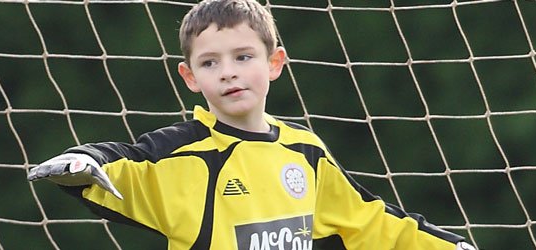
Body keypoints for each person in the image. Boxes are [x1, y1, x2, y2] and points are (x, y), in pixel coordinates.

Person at [27, 0, 476, 249]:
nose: (228, 72)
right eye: (209, 62)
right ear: (191, 78)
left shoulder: (305, 150)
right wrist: (83, 160)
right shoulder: (183, 155)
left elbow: (368, 220)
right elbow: (122, 162)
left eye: (243, 57)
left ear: (275, 62)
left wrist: (449, 246)